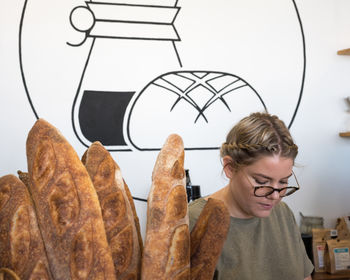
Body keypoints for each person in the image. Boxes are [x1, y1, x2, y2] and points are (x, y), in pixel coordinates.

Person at [189, 112, 314, 280]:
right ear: (230, 167)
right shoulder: (193, 221)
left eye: (283, 182)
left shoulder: (282, 213)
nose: (275, 196)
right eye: (262, 181)